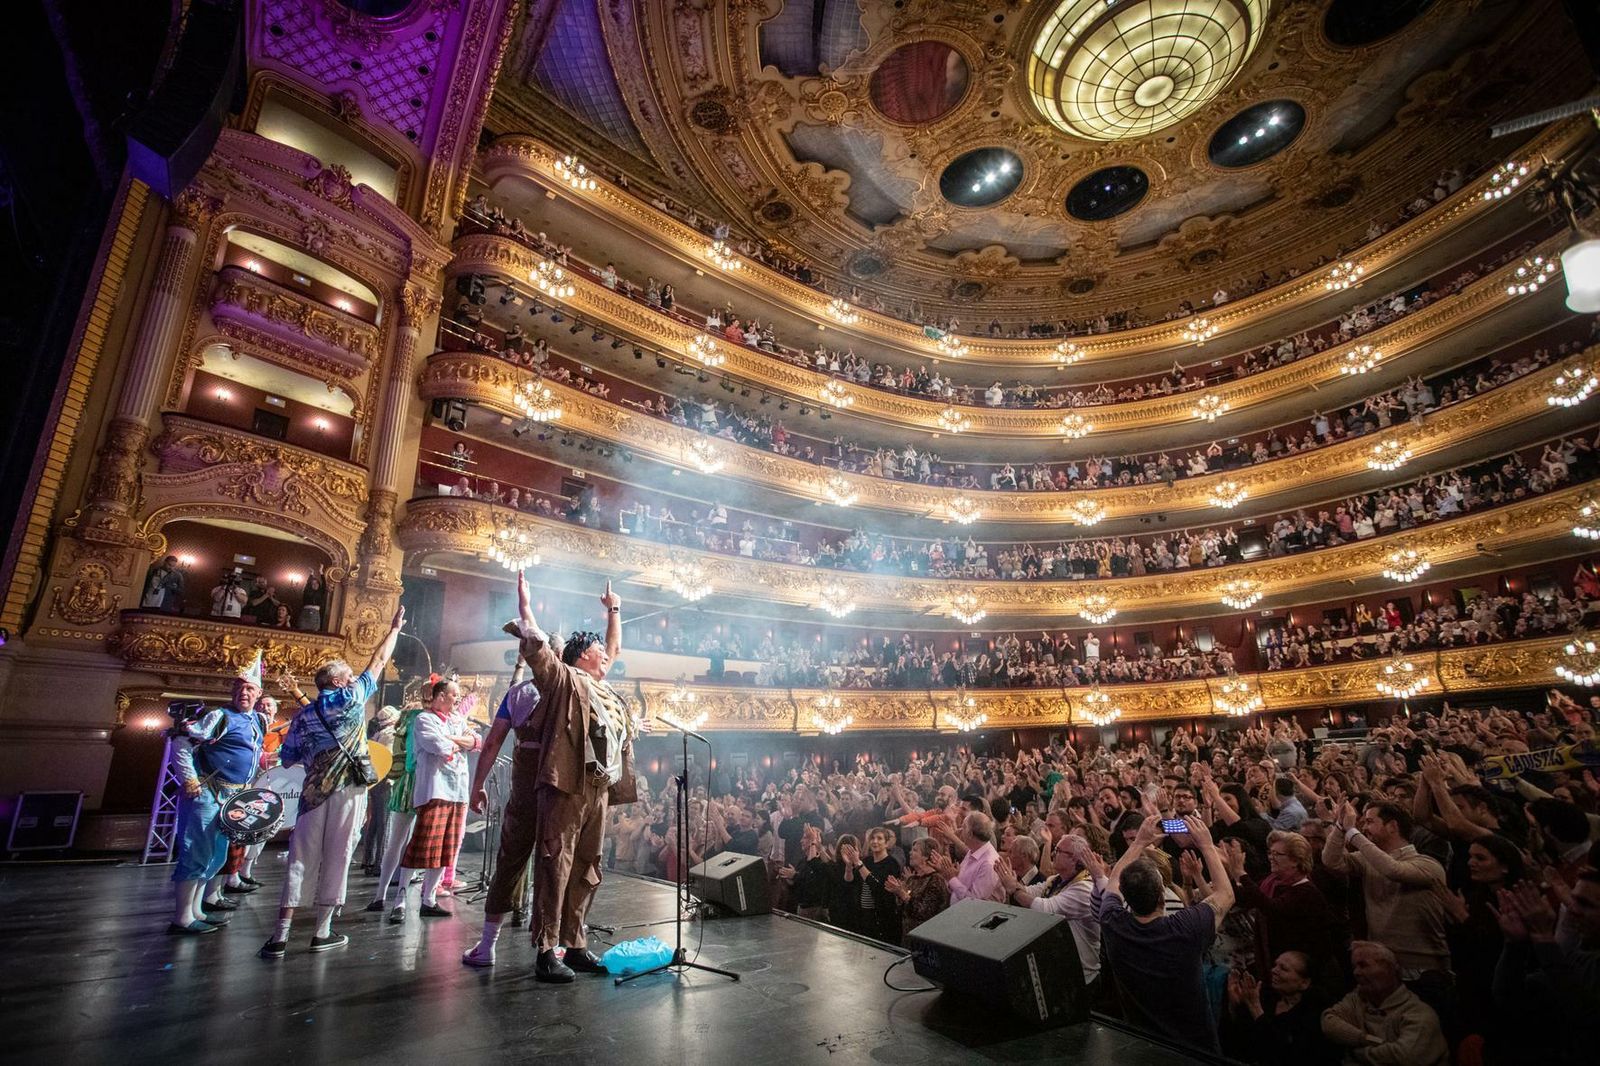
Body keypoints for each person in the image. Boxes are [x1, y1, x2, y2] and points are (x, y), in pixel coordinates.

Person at [506, 571, 645, 982]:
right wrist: (526, 608)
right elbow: (538, 650)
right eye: (599, 650)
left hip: (599, 789)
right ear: (581, 654)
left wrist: (614, 609)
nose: (607, 655)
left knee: (587, 865)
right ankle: (547, 949)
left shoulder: (602, 685)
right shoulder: (565, 679)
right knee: (555, 862)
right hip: (567, 785)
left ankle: (576, 942)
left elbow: (615, 645)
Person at [259, 603, 405, 959]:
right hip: (347, 789)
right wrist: (395, 629)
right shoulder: (352, 697)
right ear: (338, 682)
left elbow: (289, 756)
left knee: (300, 857)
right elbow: (378, 660)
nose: (355, 677)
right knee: (339, 854)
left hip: (312, 792)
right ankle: (322, 931)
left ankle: (280, 934)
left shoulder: (304, 713)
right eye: (349, 674)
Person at [1096, 815, 1235, 1054]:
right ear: (1162, 895)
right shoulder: (1186, 927)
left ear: (1126, 898)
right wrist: (1206, 846)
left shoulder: (1112, 923)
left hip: (1142, 1045)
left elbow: (1114, 881)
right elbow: (1226, 895)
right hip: (1193, 1048)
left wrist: (1138, 843)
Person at [167, 654, 266, 934]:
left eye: (249, 689)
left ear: (258, 693)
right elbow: (182, 741)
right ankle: (182, 917)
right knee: (196, 851)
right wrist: (190, 780)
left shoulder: (258, 721)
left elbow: (249, 754)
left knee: (216, 855)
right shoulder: (220, 716)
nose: (243, 693)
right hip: (209, 794)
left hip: (232, 799)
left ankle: (197, 909)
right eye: (238, 688)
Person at [387, 679, 479, 923]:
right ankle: (401, 900)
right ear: (440, 696)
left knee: (446, 847)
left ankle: (429, 899)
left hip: (457, 792)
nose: (457, 699)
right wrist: (459, 742)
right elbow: (438, 746)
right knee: (422, 846)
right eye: (453, 694)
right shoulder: (424, 720)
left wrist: (456, 739)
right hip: (434, 789)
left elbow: (476, 742)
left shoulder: (457, 721)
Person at [996, 832, 1103, 989]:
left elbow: (1046, 909)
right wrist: (1012, 882)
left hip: (1081, 977)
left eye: (1059, 851)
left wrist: (1013, 890)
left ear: (1074, 858)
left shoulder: (1084, 888)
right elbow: (1029, 891)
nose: (1054, 853)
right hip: (1060, 970)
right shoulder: (1056, 880)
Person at [1321, 941, 1448, 1065]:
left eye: (1363, 965)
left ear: (1390, 969)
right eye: (1354, 967)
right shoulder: (1357, 998)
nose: (1356, 973)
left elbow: (1404, 1057)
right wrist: (1368, 1039)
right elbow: (1329, 1022)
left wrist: (1358, 1053)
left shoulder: (1419, 1014)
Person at [928, 810, 1002, 904]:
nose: (959, 830)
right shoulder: (974, 851)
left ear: (970, 834)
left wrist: (952, 878)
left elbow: (974, 901)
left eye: (963, 827)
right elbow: (961, 886)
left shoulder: (988, 863)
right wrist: (946, 870)